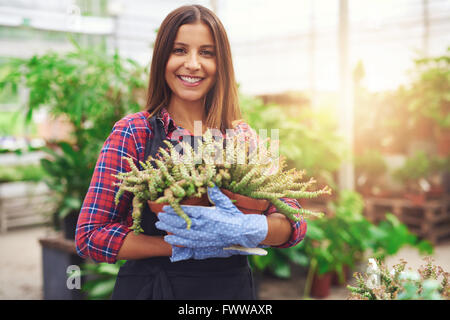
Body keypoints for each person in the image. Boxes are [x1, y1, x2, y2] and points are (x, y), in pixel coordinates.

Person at [75, 4, 307, 300]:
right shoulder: (135, 131)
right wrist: (182, 245)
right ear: (163, 59)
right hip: (154, 289)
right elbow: (90, 236)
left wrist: (247, 228)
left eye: (207, 53)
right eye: (180, 50)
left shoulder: (241, 136)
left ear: (221, 63)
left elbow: (295, 224)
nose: (193, 64)